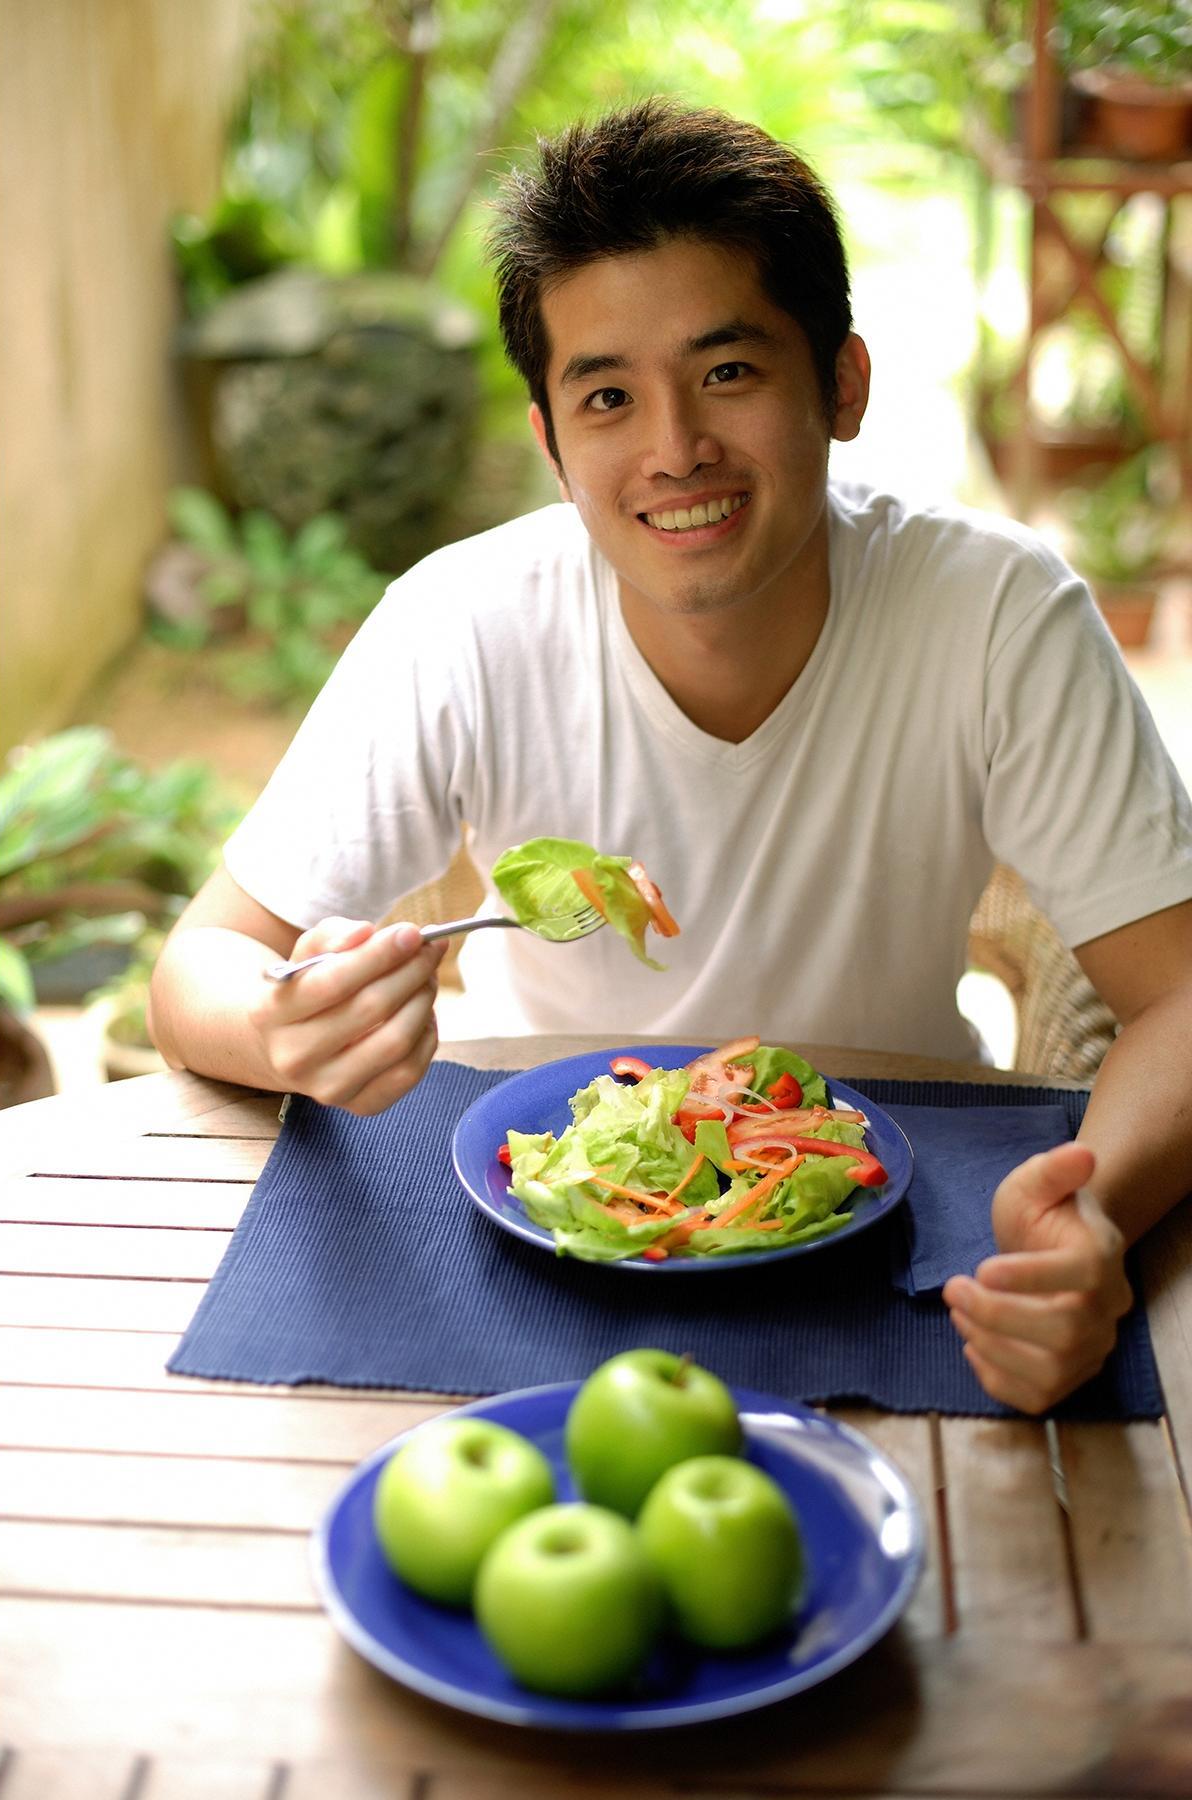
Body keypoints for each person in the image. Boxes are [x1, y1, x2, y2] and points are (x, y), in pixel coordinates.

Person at [149, 99, 1192, 1415]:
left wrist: (1085, 1218)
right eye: (606, 395)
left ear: (844, 384)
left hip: (880, 1233)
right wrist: (286, 1029)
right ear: (548, 441)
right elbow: (196, 972)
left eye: (730, 371)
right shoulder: (461, 622)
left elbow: (1181, 994)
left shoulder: (993, 615)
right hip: (525, 1234)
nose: (674, 449)